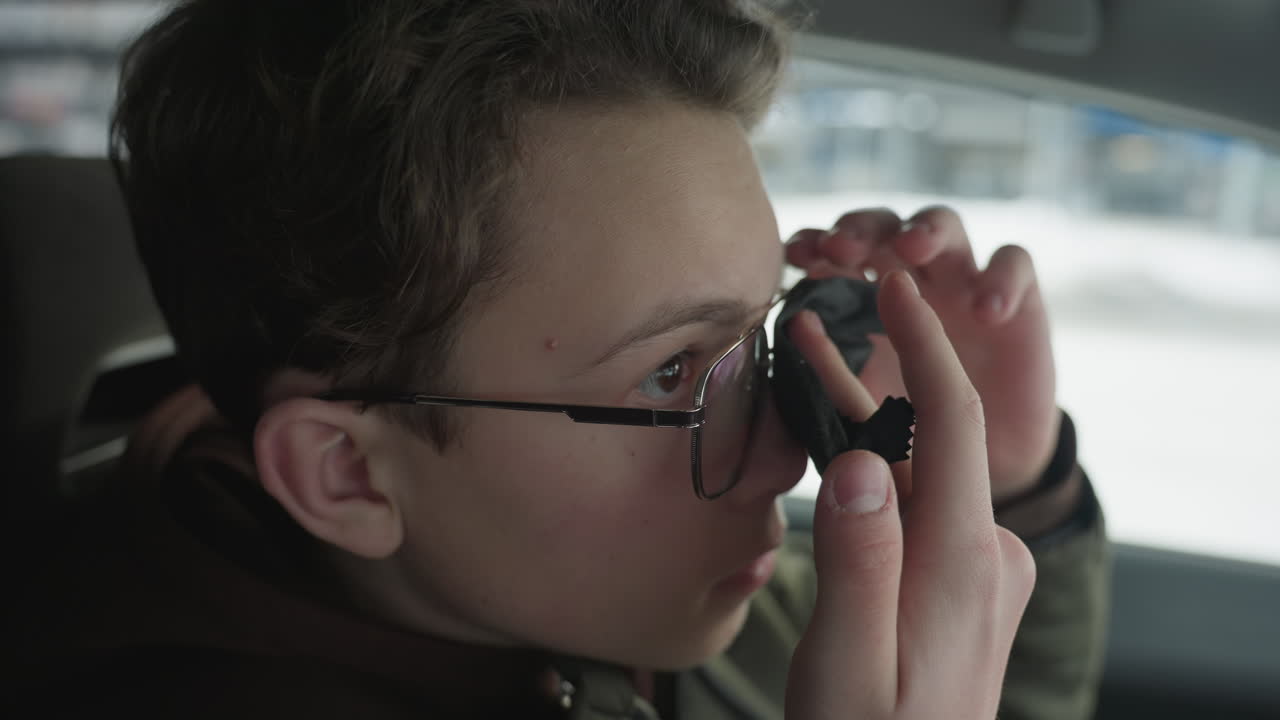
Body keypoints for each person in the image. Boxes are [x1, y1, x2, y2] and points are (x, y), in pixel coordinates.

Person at [13, 1, 1108, 718]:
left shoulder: (627, 596)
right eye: (674, 374)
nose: (787, 457)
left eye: (758, 336)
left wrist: (1011, 493)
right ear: (345, 473)